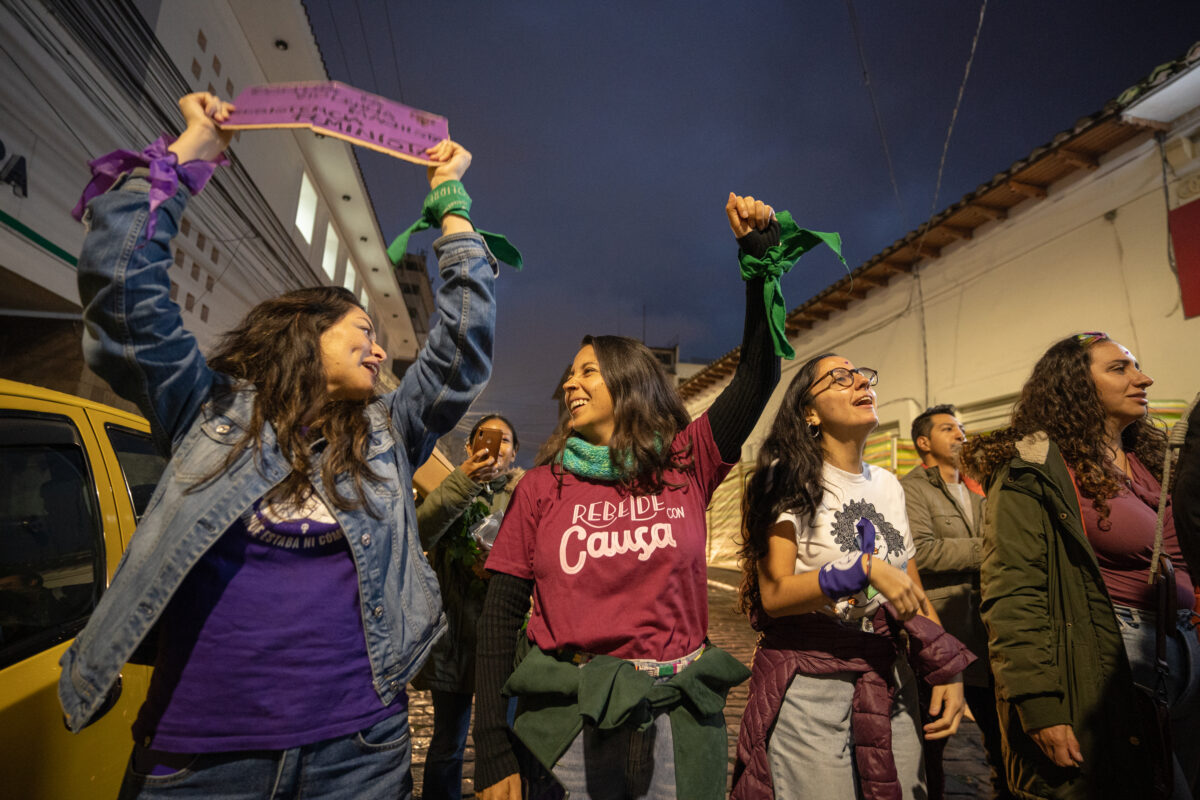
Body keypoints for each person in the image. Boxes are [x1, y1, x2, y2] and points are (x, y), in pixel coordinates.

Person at [56, 92, 499, 799]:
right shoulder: (205, 411)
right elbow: (120, 287)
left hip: (359, 750)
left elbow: (463, 344)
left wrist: (452, 204)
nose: (381, 352)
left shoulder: (389, 435)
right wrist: (188, 151)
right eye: (363, 331)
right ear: (305, 329)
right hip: (198, 759)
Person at [473, 194, 784, 800]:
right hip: (567, 724)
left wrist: (759, 260)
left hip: (674, 721)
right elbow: (499, 619)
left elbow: (758, 376)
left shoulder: (687, 462)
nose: (570, 383)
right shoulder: (542, 486)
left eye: (588, 371)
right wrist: (490, 745)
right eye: (569, 375)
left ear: (630, 380)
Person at [962, 332, 1200, 800]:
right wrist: (1039, 704)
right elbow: (1013, 592)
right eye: (1120, 369)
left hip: (1184, 650)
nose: (1143, 378)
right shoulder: (1033, 468)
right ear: (1074, 385)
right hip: (1113, 658)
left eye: (1137, 366)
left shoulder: (1146, 457)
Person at [731, 354, 971, 800]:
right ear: (810, 412)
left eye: (863, 376)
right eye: (840, 378)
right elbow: (775, 595)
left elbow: (911, 589)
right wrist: (861, 568)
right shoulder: (781, 481)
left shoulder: (888, 484)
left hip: (888, 675)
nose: (860, 381)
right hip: (811, 682)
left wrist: (946, 669)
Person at [901, 404, 1011, 799]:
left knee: (1005, 746)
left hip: (991, 637)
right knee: (930, 747)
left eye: (961, 428)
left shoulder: (981, 489)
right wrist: (994, 548)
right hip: (943, 635)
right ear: (924, 442)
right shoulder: (911, 488)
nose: (960, 435)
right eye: (948, 428)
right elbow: (923, 553)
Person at [413, 414, 522, 800]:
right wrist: (464, 480)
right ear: (469, 446)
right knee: (447, 743)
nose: (495, 445)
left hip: (503, 640)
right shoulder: (443, 483)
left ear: (514, 452)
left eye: (504, 439)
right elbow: (421, 531)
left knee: (506, 741)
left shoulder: (525, 493)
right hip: (455, 638)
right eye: (485, 436)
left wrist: (503, 568)